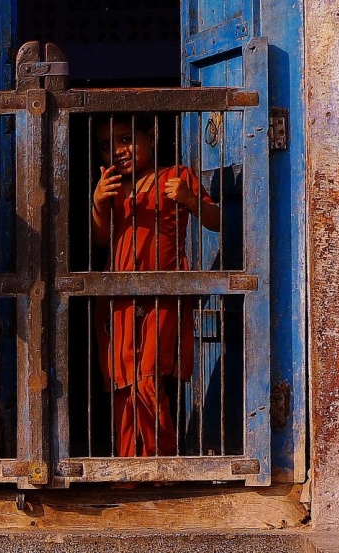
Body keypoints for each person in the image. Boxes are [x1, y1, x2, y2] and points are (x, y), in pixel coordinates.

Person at [91, 113, 220, 468]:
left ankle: (157, 466)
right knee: (123, 383)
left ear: (151, 137)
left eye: (126, 139)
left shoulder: (175, 177)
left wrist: (191, 199)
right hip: (118, 298)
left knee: (148, 379)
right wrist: (99, 202)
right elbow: (100, 239)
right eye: (106, 145)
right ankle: (129, 466)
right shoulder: (112, 186)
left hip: (162, 295)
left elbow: (217, 221)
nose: (118, 150)